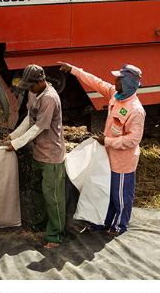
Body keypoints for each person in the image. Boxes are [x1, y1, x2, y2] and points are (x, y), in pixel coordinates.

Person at [59, 62, 146, 235]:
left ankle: (120, 226)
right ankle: (103, 222)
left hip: (123, 161)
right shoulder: (116, 95)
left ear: (128, 83)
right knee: (106, 191)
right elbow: (96, 82)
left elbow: (133, 139)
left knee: (120, 196)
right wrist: (74, 70)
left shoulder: (135, 111)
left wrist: (107, 141)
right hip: (108, 157)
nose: (115, 81)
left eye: (119, 79)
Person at [3, 64, 67, 248]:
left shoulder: (50, 99)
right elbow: (30, 119)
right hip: (38, 152)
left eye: (31, 85)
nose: (28, 89)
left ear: (41, 81)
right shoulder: (33, 92)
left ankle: (56, 235)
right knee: (37, 191)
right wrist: (13, 135)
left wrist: (16, 144)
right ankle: (39, 225)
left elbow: (38, 127)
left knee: (52, 196)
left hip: (52, 156)